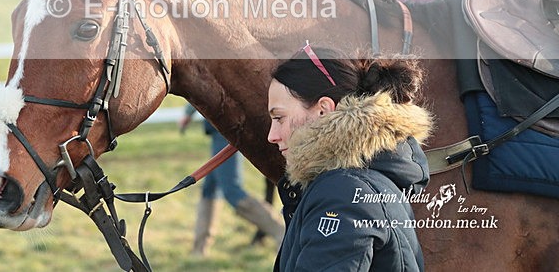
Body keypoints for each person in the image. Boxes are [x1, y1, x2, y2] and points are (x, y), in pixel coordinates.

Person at [268, 43, 432, 271]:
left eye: (279, 118)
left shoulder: (343, 193)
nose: (272, 136)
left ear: (323, 110)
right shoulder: (357, 183)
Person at [179, 104, 284, 256]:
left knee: (231, 190)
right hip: (221, 124)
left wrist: (188, 113)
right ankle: (199, 249)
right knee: (210, 188)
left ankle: (280, 232)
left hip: (226, 123)